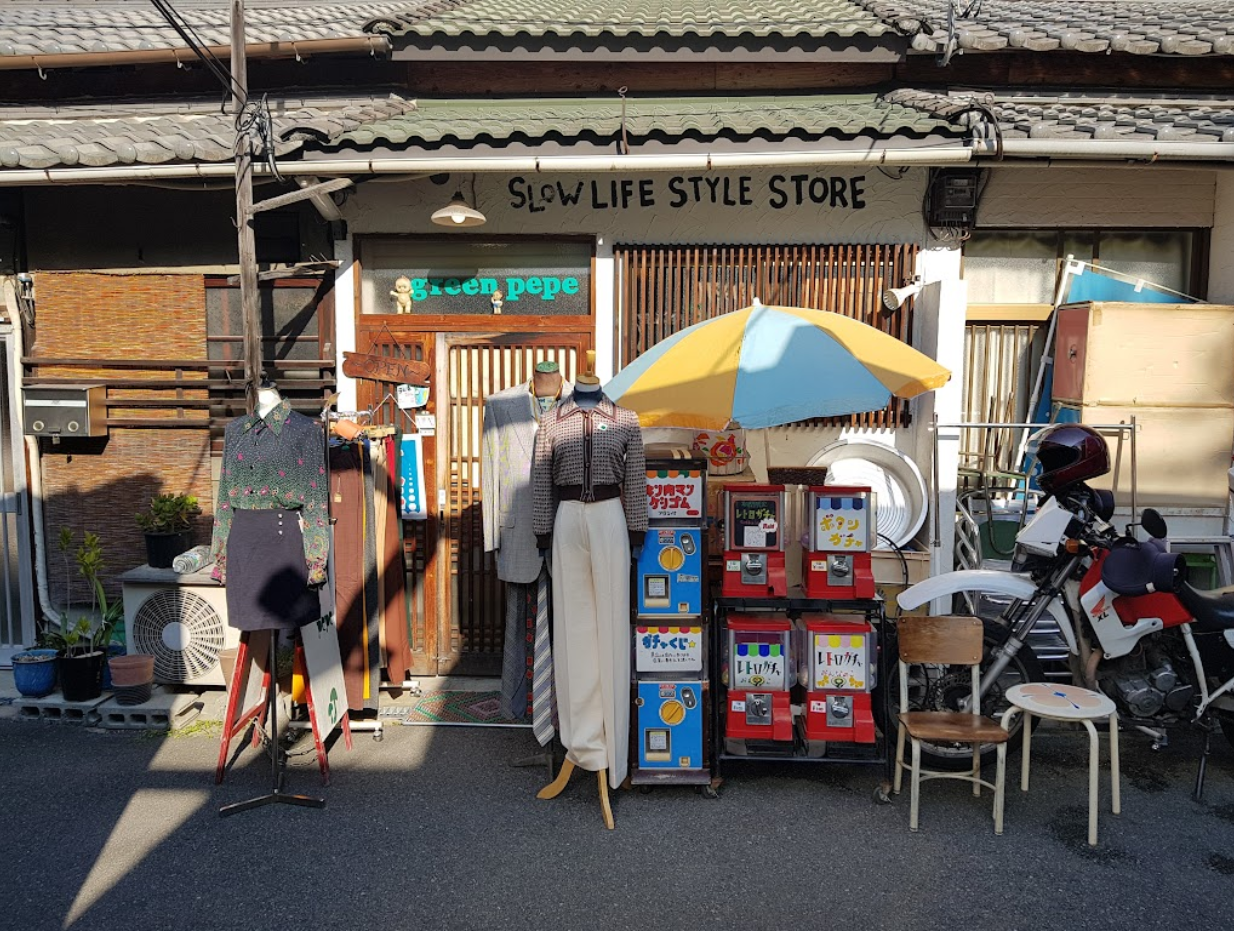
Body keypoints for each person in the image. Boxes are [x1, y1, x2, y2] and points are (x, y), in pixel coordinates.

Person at [531, 352, 646, 829]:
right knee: (574, 633)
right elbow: (540, 481)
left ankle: (611, 750)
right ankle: (579, 742)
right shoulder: (551, 422)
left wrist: (636, 531)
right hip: (566, 522)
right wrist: (542, 532)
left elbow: (635, 481)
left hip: (610, 519)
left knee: (611, 630)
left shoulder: (626, 420)